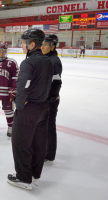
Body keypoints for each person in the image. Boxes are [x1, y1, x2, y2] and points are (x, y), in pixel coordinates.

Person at [7, 29, 53, 190]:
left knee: (20, 143)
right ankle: (35, 175)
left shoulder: (28, 63)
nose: (21, 44)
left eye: (23, 42)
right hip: (43, 108)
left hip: (29, 110)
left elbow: (23, 86)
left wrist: (19, 105)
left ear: (32, 44)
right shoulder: (48, 60)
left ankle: (23, 178)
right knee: (38, 143)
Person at [41, 34, 62, 162]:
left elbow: (56, 83)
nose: (42, 47)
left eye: (45, 45)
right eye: (42, 44)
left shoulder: (53, 61)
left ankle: (49, 154)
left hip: (50, 100)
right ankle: (46, 151)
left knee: (49, 126)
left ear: (53, 47)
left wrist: (50, 99)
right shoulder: (47, 58)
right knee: (45, 126)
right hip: (46, 98)